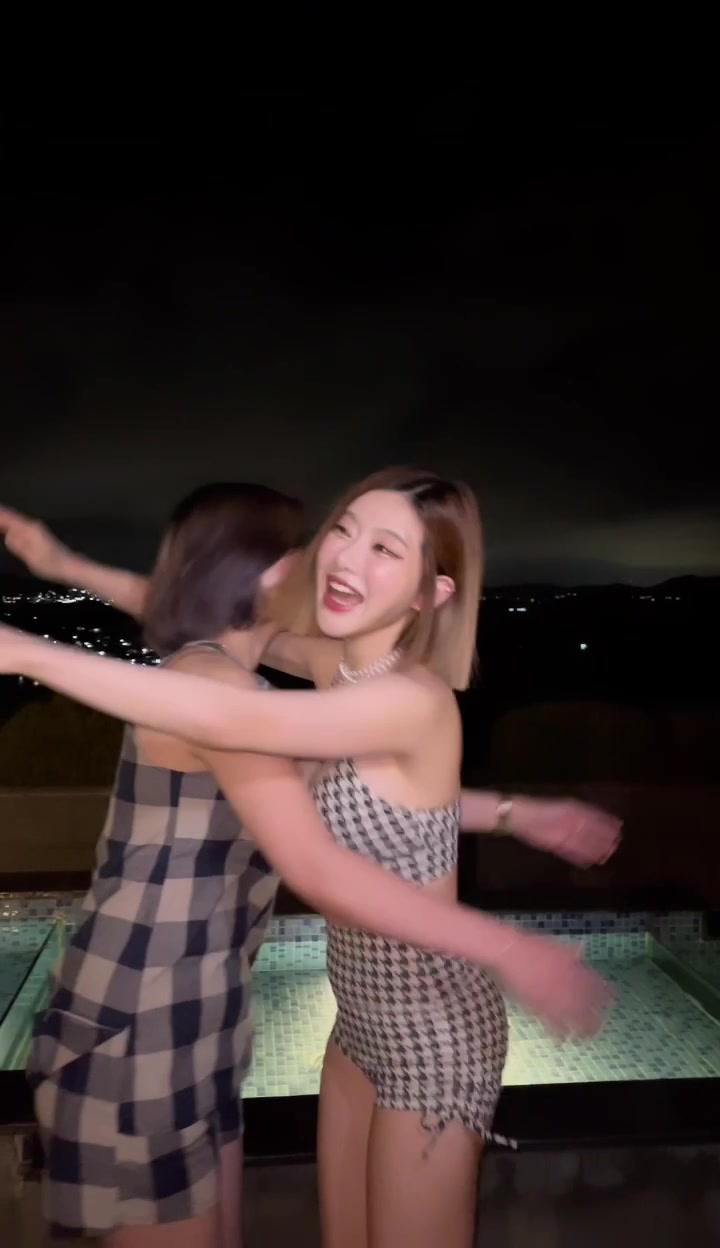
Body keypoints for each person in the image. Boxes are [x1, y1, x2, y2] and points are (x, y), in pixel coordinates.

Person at [0, 472, 618, 1248]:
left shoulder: (414, 699)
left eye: (386, 548)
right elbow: (196, 610)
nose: (347, 556)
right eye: (345, 530)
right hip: (355, 1025)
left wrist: (25, 651)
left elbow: (228, 715)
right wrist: (64, 566)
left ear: (430, 592)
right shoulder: (337, 671)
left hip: (432, 1029)